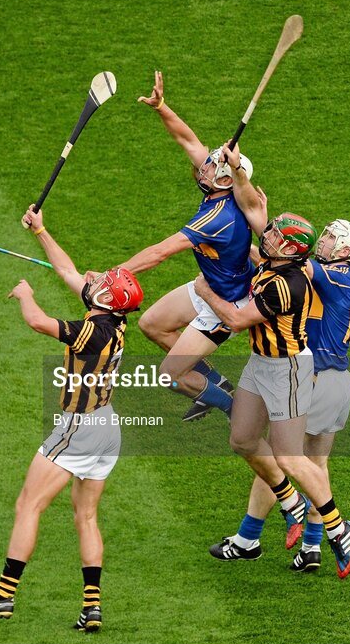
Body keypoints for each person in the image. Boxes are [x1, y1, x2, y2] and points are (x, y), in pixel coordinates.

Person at [0, 206, 144, 631]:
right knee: (86, 516)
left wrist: (25, 294)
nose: (94, 275)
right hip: (106, 426)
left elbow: (39, 322)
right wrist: (40, 230)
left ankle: (2, 597)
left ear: (102, 298)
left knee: (29, 503)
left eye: (100, 281)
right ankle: (92, 608)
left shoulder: (90, 330)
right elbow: (67, 270)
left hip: (79, 427)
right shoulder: (113, 321)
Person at [193, 210, 350, 578]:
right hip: (263, 363)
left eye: (274, 234)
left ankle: (335, 528)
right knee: (243, 439)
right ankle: (288, 512)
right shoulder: (284, 264)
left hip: (297, 371)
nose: (266, 234)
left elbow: (236, 320)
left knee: (295, 459)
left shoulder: (298, 281)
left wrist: (205, 287)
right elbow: (259, 246)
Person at [93, 71, 262, 422]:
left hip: (225, 302)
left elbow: (160, 252)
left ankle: (235, 409)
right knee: (152, 325)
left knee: (169, 376)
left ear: (228, 180)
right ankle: (217, 383)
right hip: (211, 285)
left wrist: (113, 275)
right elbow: (189, 141)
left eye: (214, 165)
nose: (205, 165)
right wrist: (162, 107)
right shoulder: (220, 186)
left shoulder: (218, 217)